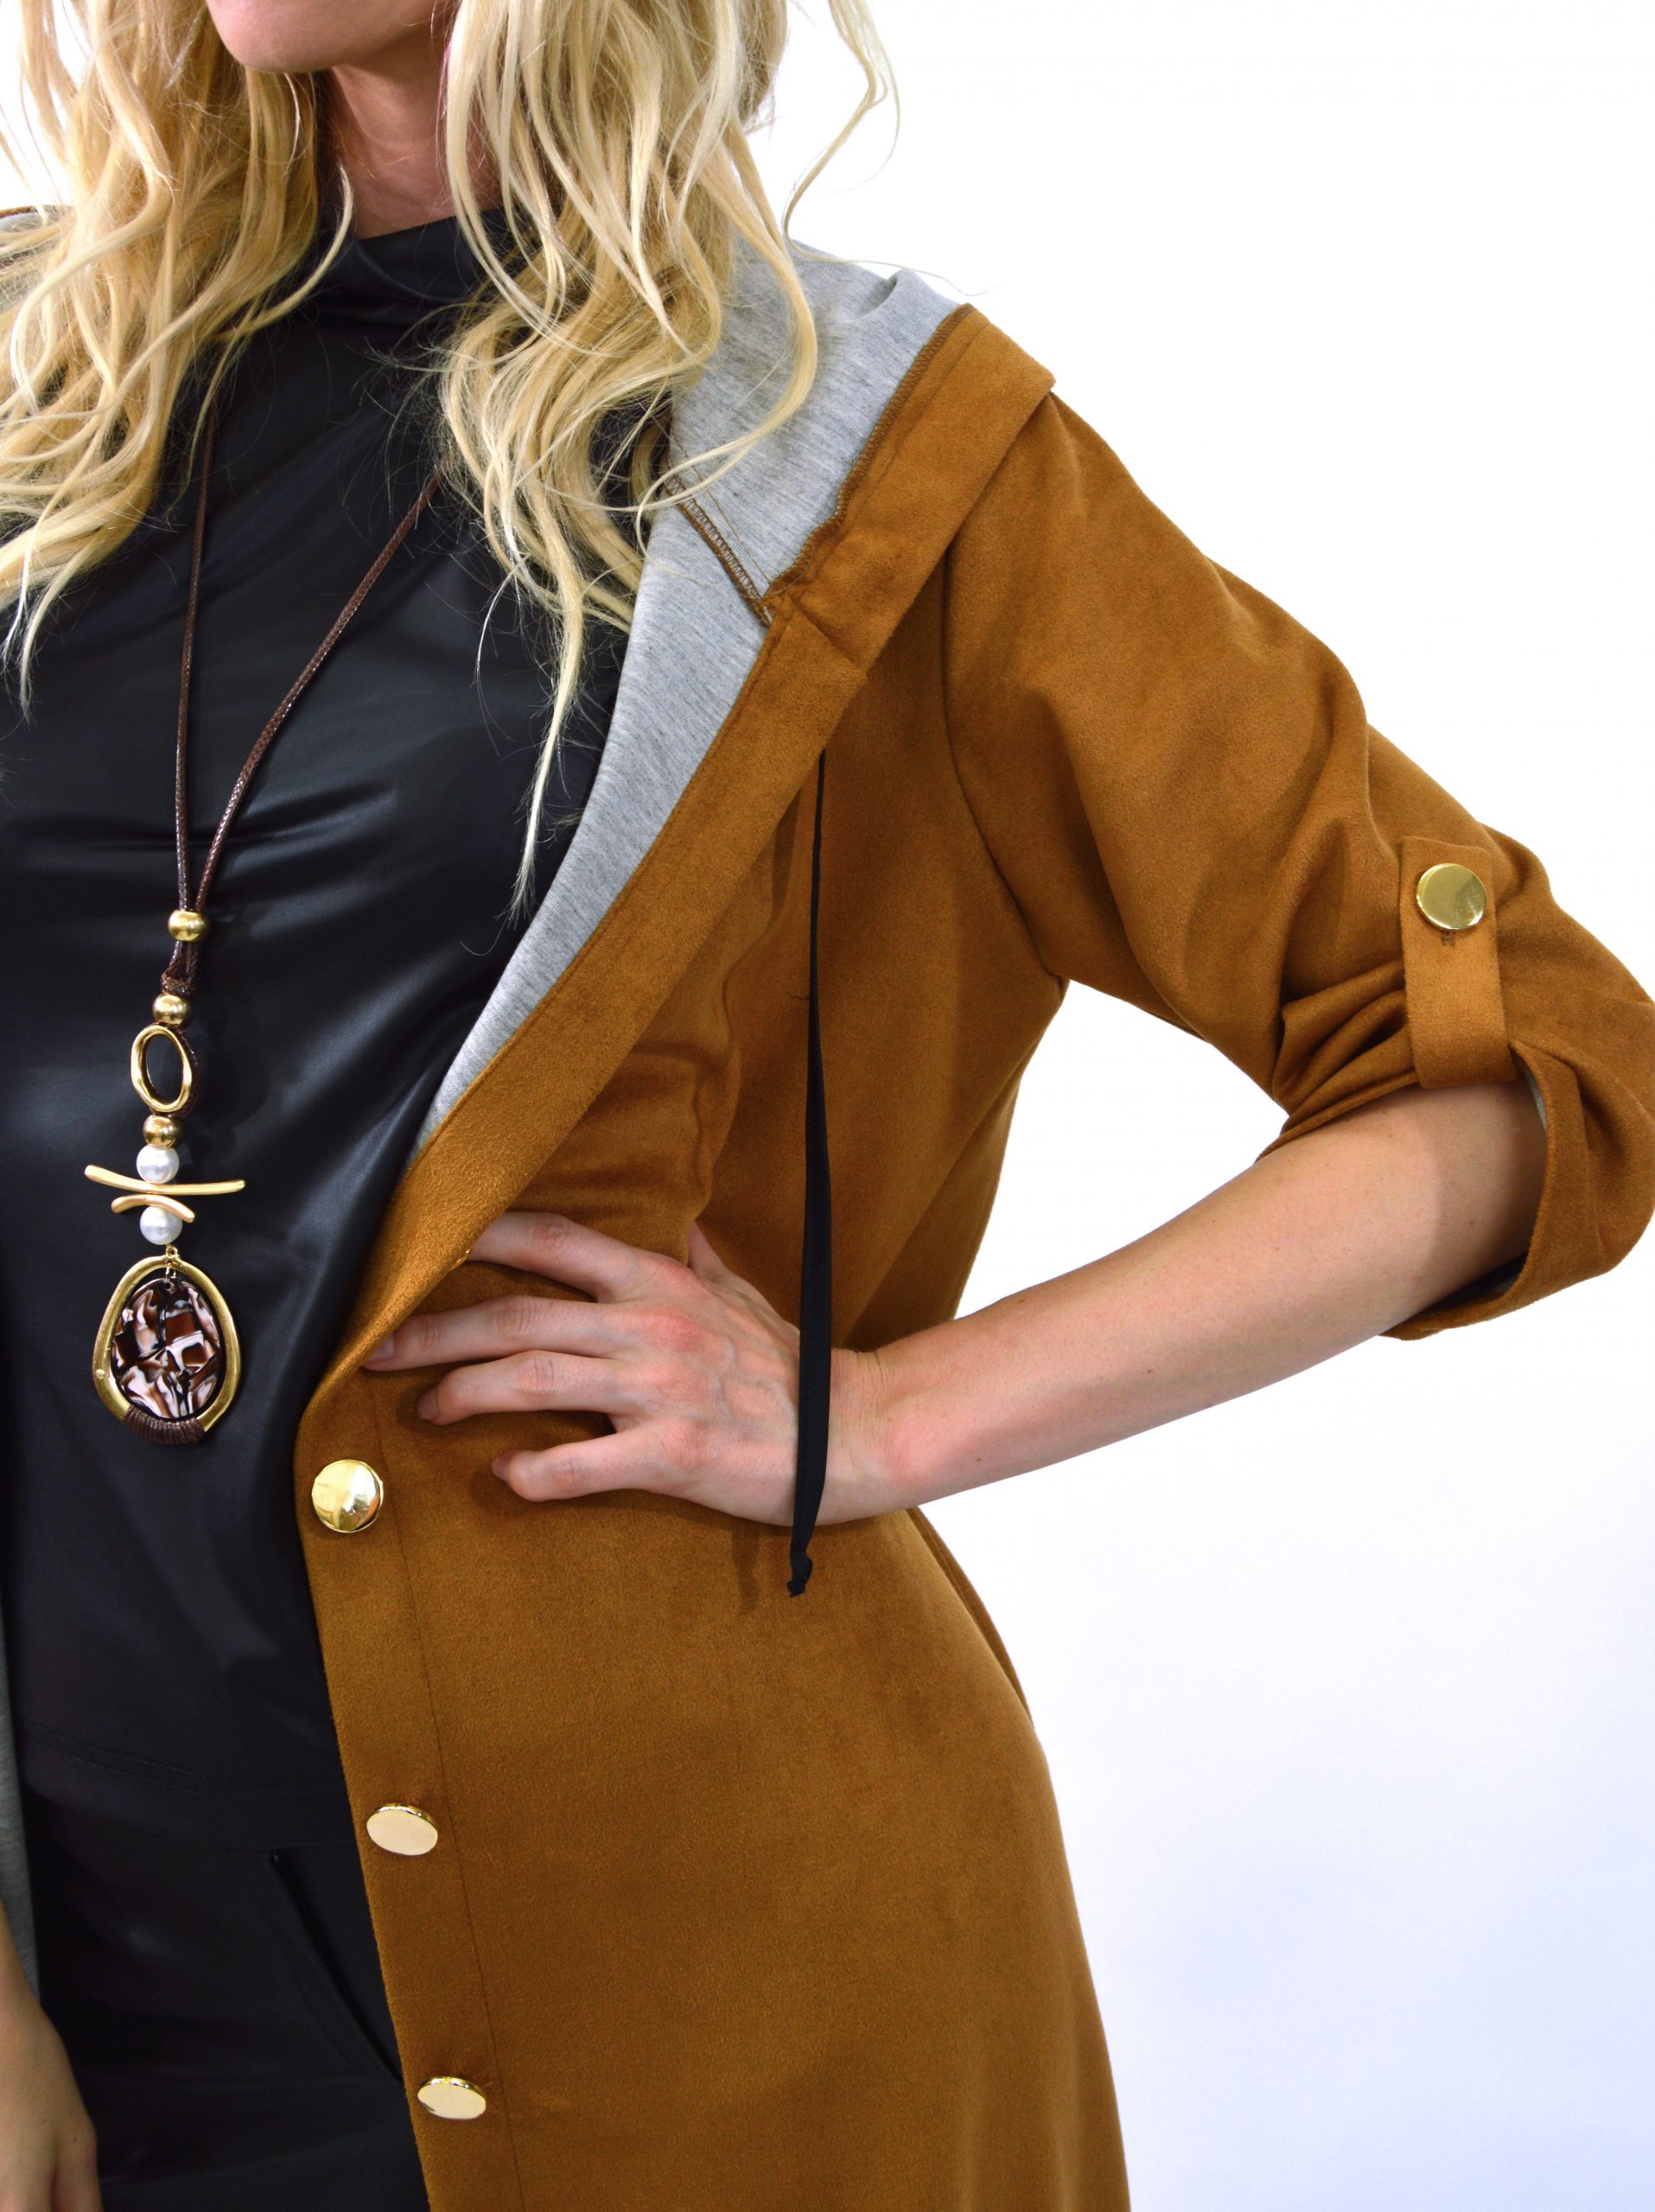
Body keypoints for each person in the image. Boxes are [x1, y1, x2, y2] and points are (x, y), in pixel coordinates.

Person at [0, 1, 1649, 2208]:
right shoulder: (46, 379)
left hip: (715, 1979)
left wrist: (882, 1418)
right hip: (94, 1978)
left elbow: (1533, 1061)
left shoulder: (860, 455)